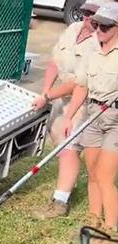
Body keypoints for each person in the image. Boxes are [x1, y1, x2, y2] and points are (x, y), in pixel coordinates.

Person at [31, 0, 105, 220]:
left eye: (93, 14)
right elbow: (55, 62)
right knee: (60, 143)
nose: (87, 17)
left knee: (68, 148)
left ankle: (60, 201)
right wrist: (45, 91)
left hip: (82, 102)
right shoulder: (73, 29)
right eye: (85, 11)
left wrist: (46, 96)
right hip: (59, 99)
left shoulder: (100, 42)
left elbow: (79, 84)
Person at [60, 2, 118, 244]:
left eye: (105, 26)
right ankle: (94, 220)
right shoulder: (93, 51)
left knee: (106, 176)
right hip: (93, 115)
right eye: (96, 24)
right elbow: (81, 86)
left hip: (115, 118)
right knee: (93, 173)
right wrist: (69, 117)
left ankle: (110, 231)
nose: (99, 29)